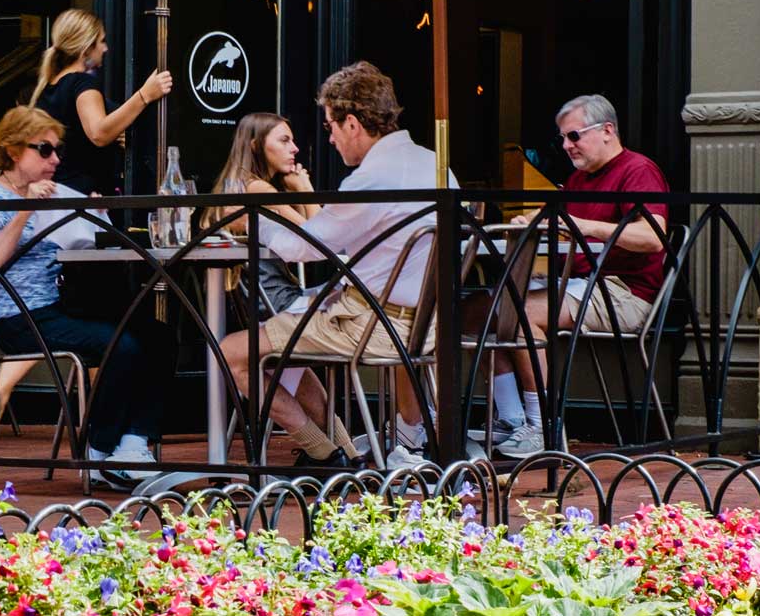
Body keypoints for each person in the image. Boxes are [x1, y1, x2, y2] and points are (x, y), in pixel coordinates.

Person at [219, 61, 459, 470]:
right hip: (429, 324)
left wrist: (252, 221)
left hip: (371, 326)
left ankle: (322, 453)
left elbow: (305, 248)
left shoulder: (370, 179)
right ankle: (354, 449)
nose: (329, 138)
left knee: (233, 352)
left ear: (351, 123)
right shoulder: (435, 165)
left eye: (330, 126)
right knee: (291, 340)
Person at [0, 105, 173, 491]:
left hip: (65, 305)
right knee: (120, 345)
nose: (55, 159)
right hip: (19, 318)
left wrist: (91, 214)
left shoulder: (57, 192)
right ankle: (98, 455)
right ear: (12, 151)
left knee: (159, 335)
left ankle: (131, 446)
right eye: (44, 149)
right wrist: (25, 209)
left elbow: (83, 241)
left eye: (57, 150)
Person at [486, 93, 670, 458]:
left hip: (624, 291)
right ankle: (510, 419)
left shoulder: (637, 170)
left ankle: (543, 428)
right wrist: (534, 223)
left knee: (519, 314)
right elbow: (562, 226)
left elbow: (653, 237)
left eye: (574, 136)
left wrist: (584, 225)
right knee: (487, 311)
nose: (567, 146)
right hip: (578, 283)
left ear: (607, 130)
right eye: (563, 139)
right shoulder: (578, 179)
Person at [28, 8, 172, 196]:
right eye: (102, 41)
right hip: (81, 200)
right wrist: (145, 95)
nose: (106, 48)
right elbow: (99, 133)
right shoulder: (82, 82)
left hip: (56, 195)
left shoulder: (49, 87)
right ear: (86, 47)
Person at [202, 112, 314, 316]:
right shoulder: (258, 189)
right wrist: (305, 188)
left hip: (270, 301)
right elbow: (317, 236)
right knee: (353, 300)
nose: (295, 149)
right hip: (275, 305)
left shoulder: (247, 185)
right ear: (255, 146)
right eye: (284, 141)